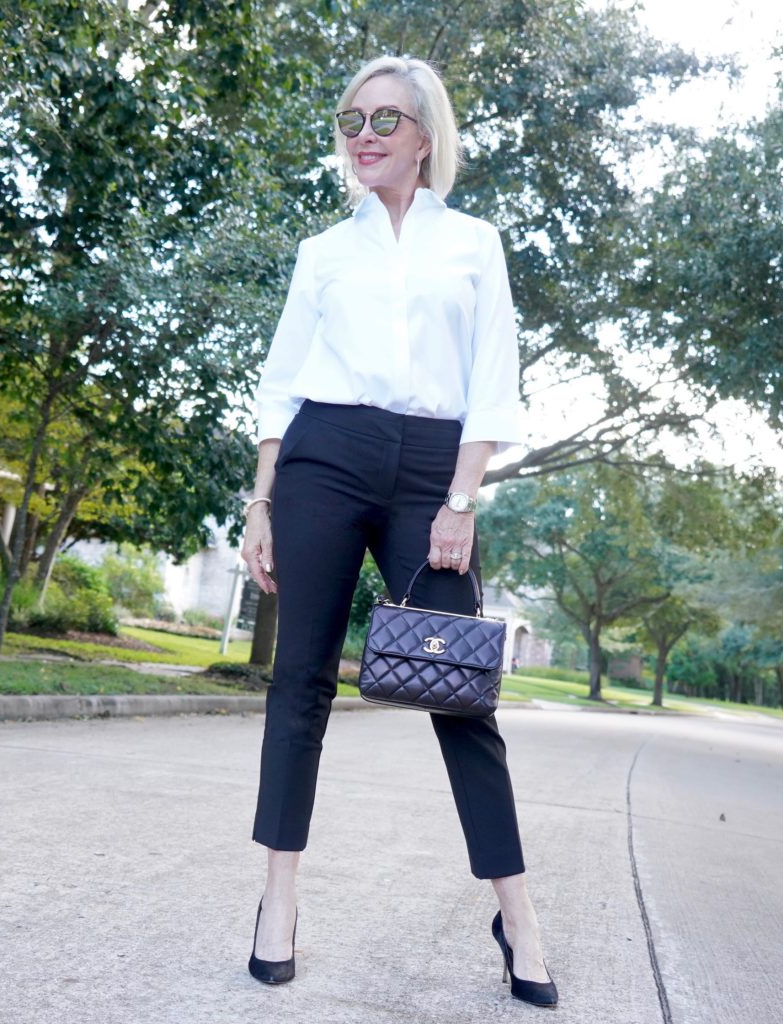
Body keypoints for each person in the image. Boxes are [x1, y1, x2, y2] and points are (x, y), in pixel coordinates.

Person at [240, 54, 557, 1007]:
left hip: (432, 470)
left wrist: (461, 500)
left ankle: (519, 914)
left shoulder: (475, 242)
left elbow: (493, 380)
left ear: (425, 136)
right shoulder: (322, 252)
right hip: (323, 455)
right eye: (351, 119)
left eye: (385, 119)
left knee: (462, 691)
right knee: (299, 682)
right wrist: (260, 500)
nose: (365, 134)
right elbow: (280, 378)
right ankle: (278, 903)